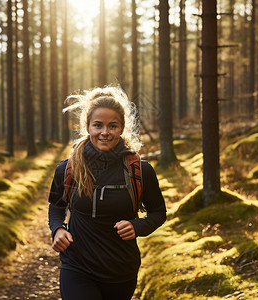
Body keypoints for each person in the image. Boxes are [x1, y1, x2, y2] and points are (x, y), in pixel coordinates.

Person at [48, 86, 167, 300]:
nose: (105, 132)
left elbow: (158, 213)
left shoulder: (140, 170)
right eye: (98, 125)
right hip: (77, 266)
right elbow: (56, 206)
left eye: (112, 125)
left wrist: (137, 226)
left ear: (122, 128)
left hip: (121, 269)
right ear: (87, 127)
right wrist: (57, 229)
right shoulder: (68, 168)